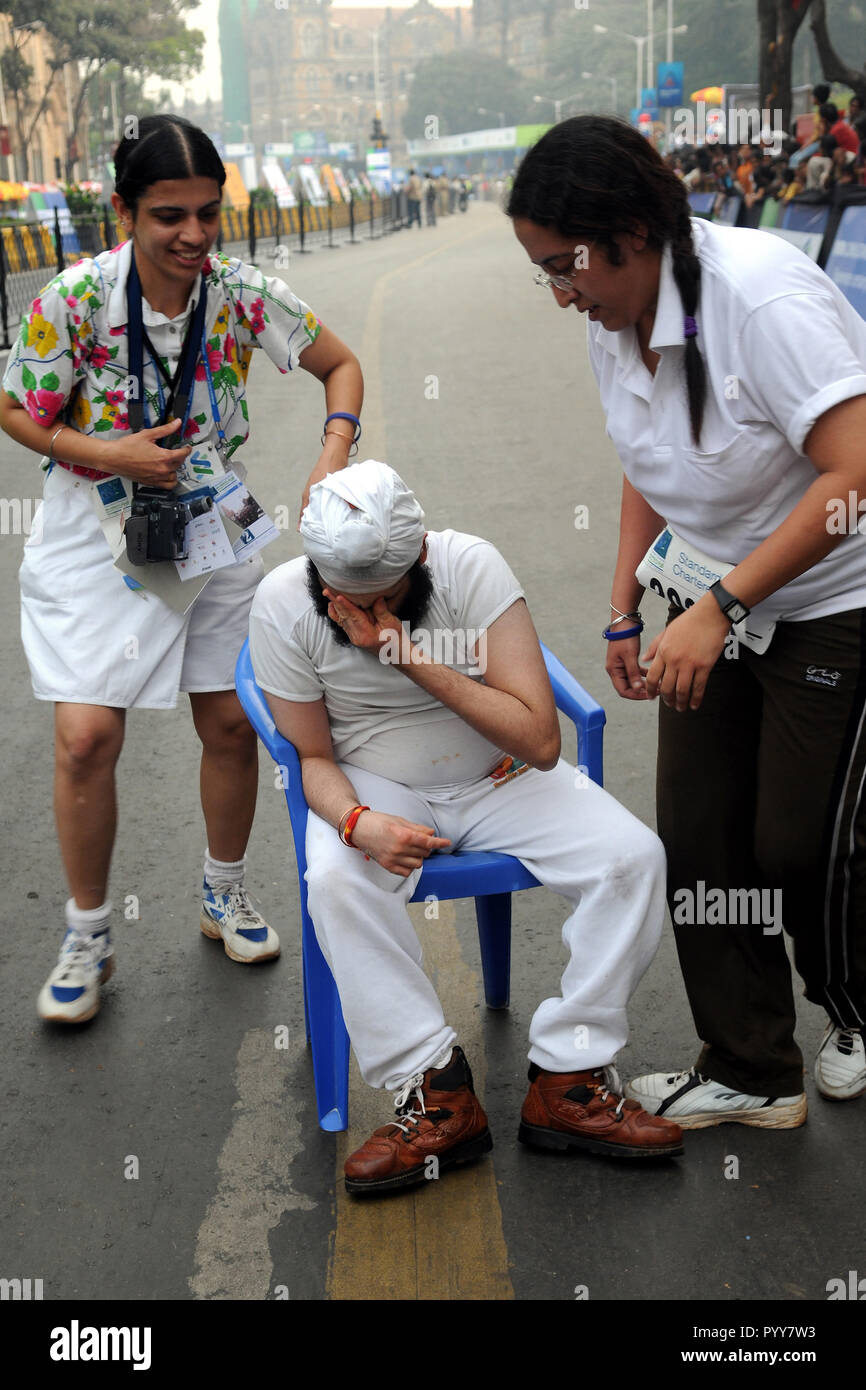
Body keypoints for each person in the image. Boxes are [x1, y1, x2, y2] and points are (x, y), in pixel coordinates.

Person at [507, 114, 866, 1128]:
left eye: (563, 265)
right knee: (702, 839)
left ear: (629, 227)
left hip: (834, 597)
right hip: (709, 598)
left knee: (802, 845)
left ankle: (853, 1005)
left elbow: (854, 474)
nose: (558, 293)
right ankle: (751, 1068)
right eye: (541, 271)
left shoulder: (762, 298)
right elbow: (645, 457)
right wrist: (625, 608)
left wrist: (720, 605)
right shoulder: (609, 318)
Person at [0, 115, 362, 1024]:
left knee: (233, 728)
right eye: (170, 215)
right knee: (87, 738)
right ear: (124, 209)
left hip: (213, 530)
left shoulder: (240, 291)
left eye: (208, 213)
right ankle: (88, 934)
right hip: (97, 532)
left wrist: (332, 452)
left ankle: (224, 891)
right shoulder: (73, 300)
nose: (194, 236)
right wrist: (110, 453)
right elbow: (18, 410)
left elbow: (342, 364)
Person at [248, 459, 684, 1194]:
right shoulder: (283, 603)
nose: (351, 612)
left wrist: (405, 655)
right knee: (334, 878)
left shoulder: (468, 568)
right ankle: (436, 1091)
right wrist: (357, 823)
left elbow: (540, 741)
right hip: (373, 781)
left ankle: (569, 1079)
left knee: (633, 859)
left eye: (379, 598)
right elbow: (313, 756)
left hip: (497, 770)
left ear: (417, 559)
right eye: (338, 596)